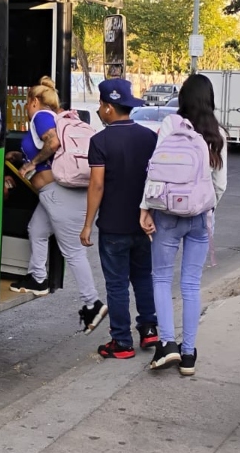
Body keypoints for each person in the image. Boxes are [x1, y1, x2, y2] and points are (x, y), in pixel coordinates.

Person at [141, 73, 227, 374]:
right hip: (201, 218)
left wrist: (145, 207)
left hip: (167, 214)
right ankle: (188, 354)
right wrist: (205, 206)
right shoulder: (218, 134)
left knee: (162, 279)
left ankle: (167, 344)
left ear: (182, 98)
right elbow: (221, 184)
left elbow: (155, 171)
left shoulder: (169, 125)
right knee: (191, 283)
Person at [11, 76, 108, 333]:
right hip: (55, 193)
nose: (26, 107)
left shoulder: (41, 116)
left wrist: (30, 165)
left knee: (74, 252)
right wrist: (21, 156)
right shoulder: (56, 116)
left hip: (58, 193)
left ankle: (93, 303)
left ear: (34, 101)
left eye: (26, 102)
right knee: (36, 230)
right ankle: (38, 278)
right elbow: (48, 149)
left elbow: (52, 142)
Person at [80, 78, 159, 359]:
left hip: (113, 226)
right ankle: (149, 330)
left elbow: (97, 185)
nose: (99, 110)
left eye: (101, 105)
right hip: (144, 222)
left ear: (109, 107)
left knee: (116, 284)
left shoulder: (100, 141)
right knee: (143, 277)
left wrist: (87, 224)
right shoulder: (149, 138)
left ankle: (122, 342)